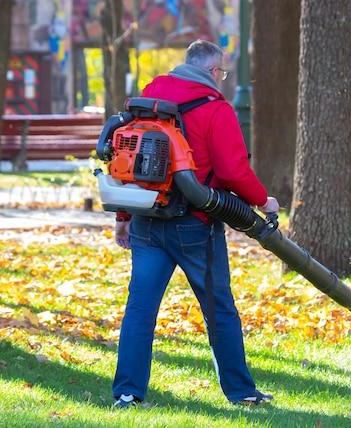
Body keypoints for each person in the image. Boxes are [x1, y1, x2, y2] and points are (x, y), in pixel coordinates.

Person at [112, 39, 280, 408]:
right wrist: (262, 200)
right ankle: (241, 392)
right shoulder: (214, 108)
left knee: (140, 309)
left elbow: (131, 159)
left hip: (146, 219)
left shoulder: (150, 98)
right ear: (210, 71)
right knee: (219, 309)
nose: (223, 78)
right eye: (222, 71)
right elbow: (234, 170)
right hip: (195, 225)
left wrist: (124, 217)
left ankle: (127, 393)